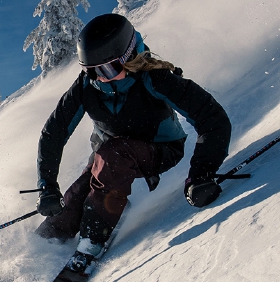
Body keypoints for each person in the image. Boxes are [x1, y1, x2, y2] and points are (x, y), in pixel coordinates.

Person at [34, 13, 231, 266]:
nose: (100, 77)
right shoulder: (86, 87)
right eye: (91, 71)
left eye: (108, 68)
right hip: (107, 156)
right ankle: (43, 248)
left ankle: (92, 239)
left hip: (160, 149)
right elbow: (54, 132)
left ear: (128, 58)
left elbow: (211, 117)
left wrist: (201, 174)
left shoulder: (154, 78)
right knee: (74, 199)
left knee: (114, 155)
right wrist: (48, 187)